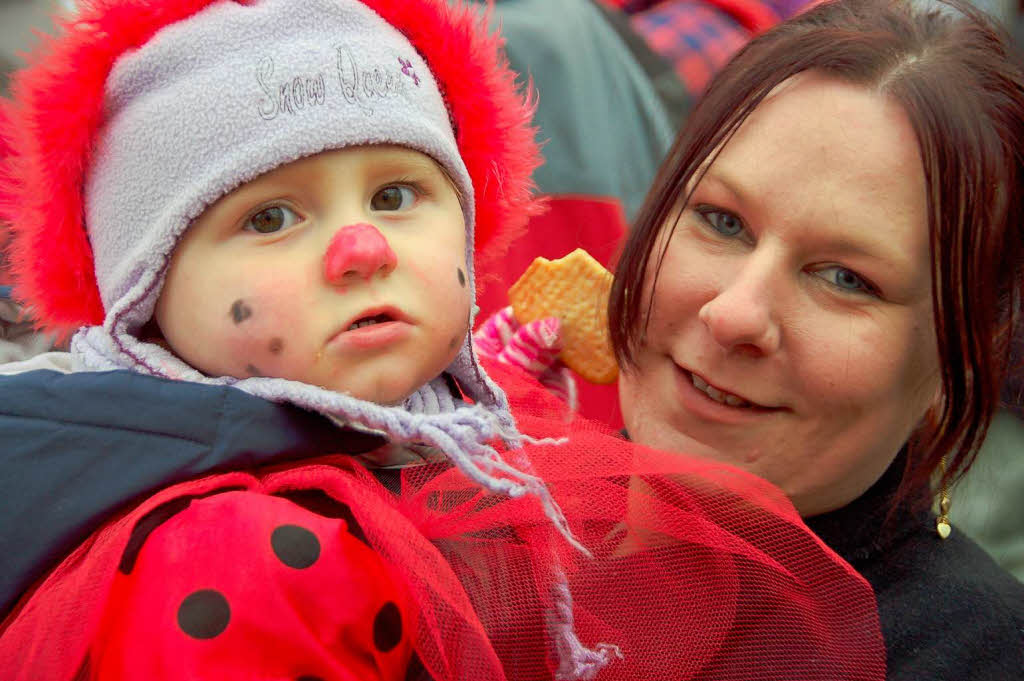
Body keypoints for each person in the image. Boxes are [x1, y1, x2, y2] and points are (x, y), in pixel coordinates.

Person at [0, 0, 889, 679]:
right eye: (271, 216)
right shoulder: (241, 550)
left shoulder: (441, 429)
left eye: (395, 196)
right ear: (145, 296)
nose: (362, 249)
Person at [601, 0, 1024, 678]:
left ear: (959, 357)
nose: (734, 314)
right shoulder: (477, 520)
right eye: (722, 220)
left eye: (845, 277)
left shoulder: (972, 655)